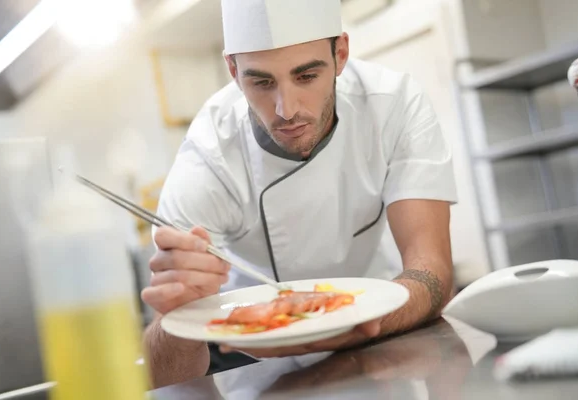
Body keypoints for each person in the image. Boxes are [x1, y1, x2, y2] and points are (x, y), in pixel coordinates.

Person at [142, 0, 458, 388]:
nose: (286, 110)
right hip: (253, 368)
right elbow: (164, 376)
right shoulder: (209, 158)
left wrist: (366, 324)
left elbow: (433, 272)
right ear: (233, 70)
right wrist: (177, 316)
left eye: (306, 76)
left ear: (340, 53)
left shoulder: (393, 107)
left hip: (382, 341)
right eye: (261, 82)